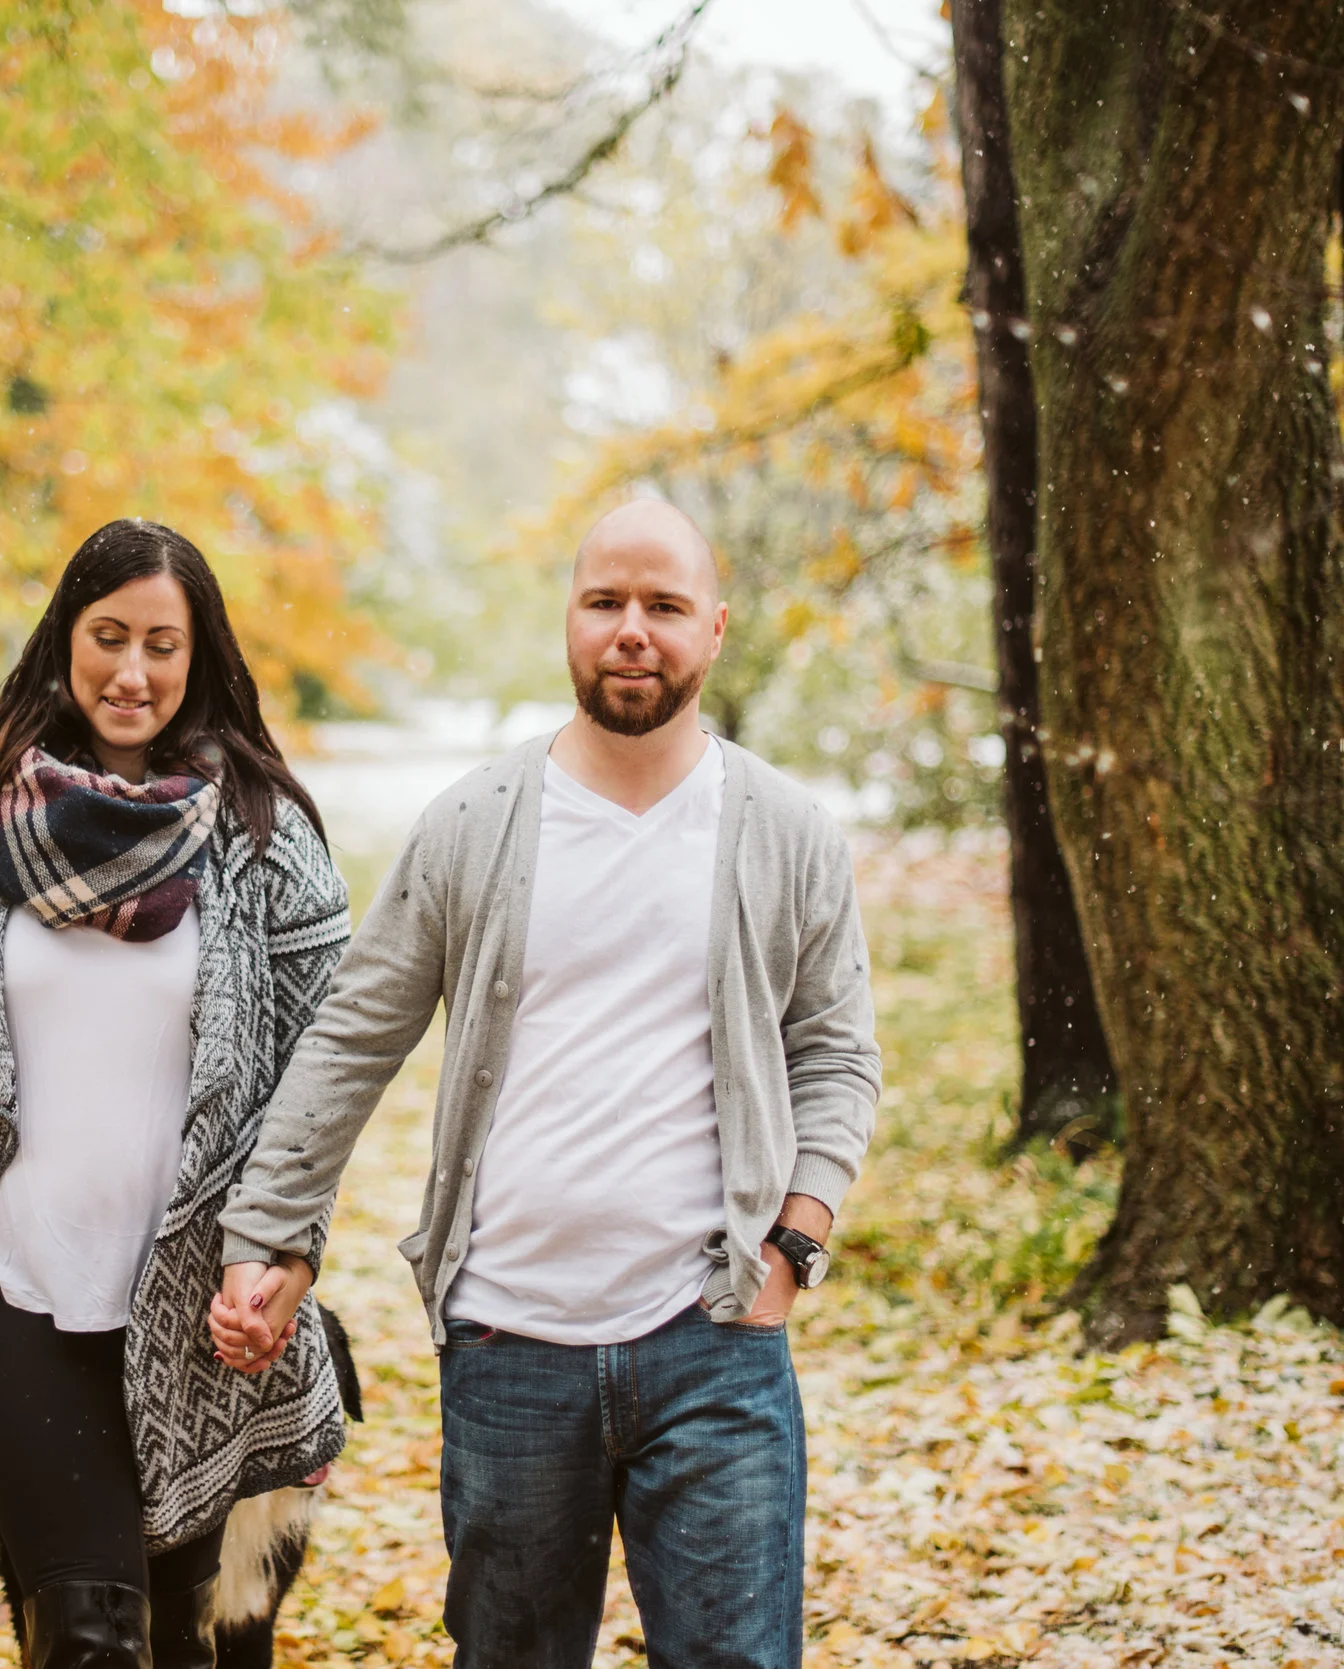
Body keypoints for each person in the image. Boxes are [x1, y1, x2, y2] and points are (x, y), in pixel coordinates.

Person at [209, 499, 881, 1669]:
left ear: (714, 629)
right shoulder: (474, 823)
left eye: (663, 606)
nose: (633, 629)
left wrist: (793, 1241)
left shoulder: (785, 832)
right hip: (508, 1344)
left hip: (715, 1342)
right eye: (605, 602)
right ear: (568, 620)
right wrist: (266, 1231)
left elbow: (835, 1052)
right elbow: (353, 1035)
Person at [0, 518, 355, 1669]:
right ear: (63, 640)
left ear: (199, 653)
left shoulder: (269, 845)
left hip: (196, 1315)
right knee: (85, 1638)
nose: (132, 671)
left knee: (195, 1643)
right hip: (9, 1292)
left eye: (160, 644)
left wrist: (290, 1257)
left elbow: (323, 1089)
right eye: (107, 635)